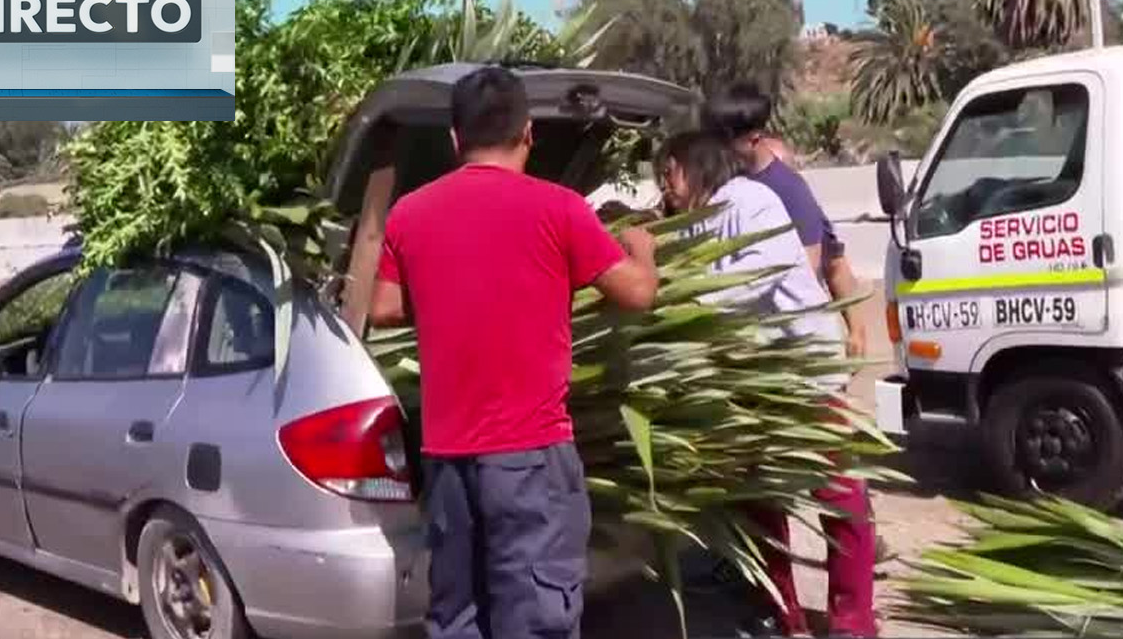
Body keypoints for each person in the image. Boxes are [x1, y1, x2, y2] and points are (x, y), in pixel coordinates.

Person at [369, 66, 660, 639]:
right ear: (528, 133)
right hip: (530, 459)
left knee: (458, 617)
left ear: (455, 139)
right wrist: (641, 248)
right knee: (533, 620)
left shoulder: (409, 213)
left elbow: (382, 307)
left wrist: (450, 290)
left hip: (447, 460)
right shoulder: (558, 208)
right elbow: (637, 294)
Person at [658, 128, 877, 638]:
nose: (664, 186)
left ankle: (852, 621)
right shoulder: (695, 219)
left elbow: (747, 284)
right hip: (753, 377)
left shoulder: (750, 201)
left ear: (695, 165)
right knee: (757, 499)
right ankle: (781, 612)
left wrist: (672, 310)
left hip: (802, 371)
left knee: (838, 494)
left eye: (668, 173)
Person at [704, 84, 869, 361]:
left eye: (724, 139)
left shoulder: (789, 191)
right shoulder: (725, 185)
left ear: (754, 138)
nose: (716, 148)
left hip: (792, 348)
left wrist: (857, 331)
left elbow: (817, 265)